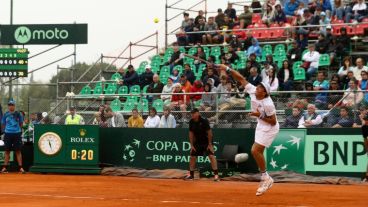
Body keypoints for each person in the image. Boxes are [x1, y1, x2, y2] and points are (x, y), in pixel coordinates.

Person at [217, 64, 279, 196]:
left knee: (255, 150)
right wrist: (227, 68)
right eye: (258, 86)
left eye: (261, 88)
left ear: (265, 92)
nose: (257, 88)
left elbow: (273, 121)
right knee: (258, 152)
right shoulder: (252, 90)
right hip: (261, 124)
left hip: (270, 127)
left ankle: (266, 177)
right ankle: (265, 178)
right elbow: (240, 78)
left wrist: (258, 115)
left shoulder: (268, 104)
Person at [184, 108, 219, 181]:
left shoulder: (204, 121)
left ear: (198, 113)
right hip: (197, 142)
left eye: (194, 113)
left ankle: (216, 175)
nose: (192, 115)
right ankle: (191, 175)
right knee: (192, 157)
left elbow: (209, 133)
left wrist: (210, 144)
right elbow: (191, 133)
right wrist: (192, 145)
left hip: (207, 142)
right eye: (191, 113)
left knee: (211, 156)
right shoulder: (191, 121)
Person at [1, 99, 25, 173]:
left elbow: (21, 123)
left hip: (16, 134)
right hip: (8, 134)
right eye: (9, 105)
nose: (11, 106)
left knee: (18, 151)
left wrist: (19, 131)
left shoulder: (18, 114)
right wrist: (4, 131)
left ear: (14, 106)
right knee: (7, 151)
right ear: (8, 106)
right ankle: (5, 167)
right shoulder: (5, 114)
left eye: (12, 105)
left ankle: (20, 168)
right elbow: (3, 123)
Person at [360, 114, 368, 182]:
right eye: (365, 120)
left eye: (367, 120)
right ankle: (366, 176)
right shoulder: (364, 127)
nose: (366, 121)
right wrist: (367, 150)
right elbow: (365, 139)